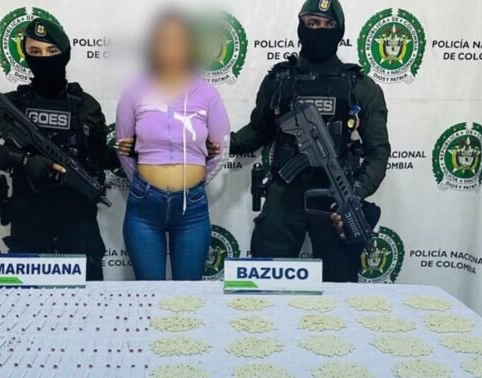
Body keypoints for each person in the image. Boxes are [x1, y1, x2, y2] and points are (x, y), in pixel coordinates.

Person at [223, 0, 391, 282]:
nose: (319, 30)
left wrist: (355, 192)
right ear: (301, 26)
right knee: (265, 281)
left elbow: (378, 153)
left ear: (339, 30)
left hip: (334, 196)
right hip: (284, 193)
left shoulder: (359, 86)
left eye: (328, 24)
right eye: (312, 23)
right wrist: (222, 144)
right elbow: (259, 130)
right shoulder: (279, 80)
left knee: (339, 286)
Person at [0, 18, 113, 281]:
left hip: (77, 224)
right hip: (29, 222)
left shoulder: (86, 106)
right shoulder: (13, 104)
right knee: (26, 305)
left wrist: (131, 153)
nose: (44, 58)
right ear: (25, 55)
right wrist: (22, 161)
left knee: (86, 304)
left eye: (51, 51)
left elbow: (99, 157)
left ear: (65, 54)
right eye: (35, 51)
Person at [114, 11, 231, 281]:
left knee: (188, 297)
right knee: (149, 294)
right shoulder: (134, 91)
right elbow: (123, 148)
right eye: (164, 40)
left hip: (192, 209)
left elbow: (221, 150)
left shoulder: (207, 94)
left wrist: (195, 180)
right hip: (144, 208)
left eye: (178, 40)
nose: (171, 47)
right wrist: (144, 183)